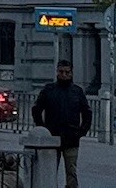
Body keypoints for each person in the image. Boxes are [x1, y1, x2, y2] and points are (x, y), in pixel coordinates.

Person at [31, 60, 92, 188]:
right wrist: (43, 129)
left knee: (71, 172)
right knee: (50, 171)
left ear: (71, 73)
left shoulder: (77, 91)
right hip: (52, 138)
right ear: (57, 72)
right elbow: (36, 110)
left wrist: (81, 132)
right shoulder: (49, 90)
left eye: (67, 72)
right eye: (61, 72)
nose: (64, 75)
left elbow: (87, 112)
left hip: (71, 138)